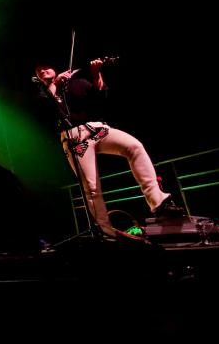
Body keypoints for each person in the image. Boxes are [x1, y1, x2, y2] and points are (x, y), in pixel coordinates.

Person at [33, 58, 184, 239]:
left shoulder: (75, 83)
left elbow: (100, 95)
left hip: (96, 129)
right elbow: (47, 110)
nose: (43, 71)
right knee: (91, 187)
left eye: (46, 67)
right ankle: (105, 231)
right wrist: (55, 84)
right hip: (74, 139)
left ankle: (158, 202)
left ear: (54, 68)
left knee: (134, 147)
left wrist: (96, 73)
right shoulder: (43, 94)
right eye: (39, 71)